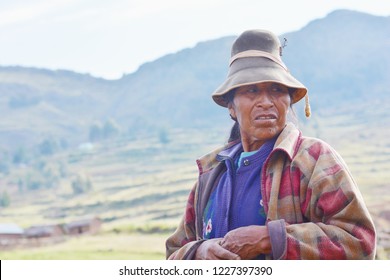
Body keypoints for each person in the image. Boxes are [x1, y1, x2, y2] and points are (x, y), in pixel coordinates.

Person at [165, 29, 376, 260]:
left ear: (288, 100)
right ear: (231, 107)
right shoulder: (212, 173)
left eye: (276, 90)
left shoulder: (313, 159)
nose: (265, 102)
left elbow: (359, 243)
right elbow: (174, 253)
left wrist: (269, 238)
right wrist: (199, 252)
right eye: (251, 90)